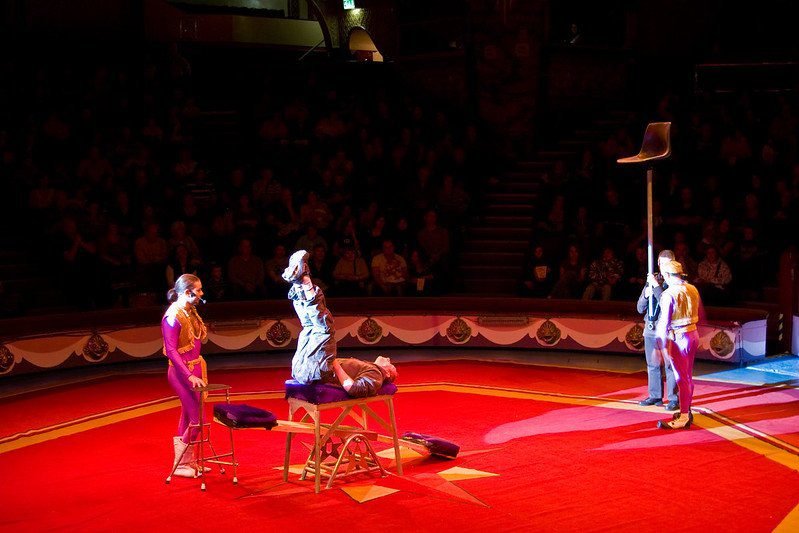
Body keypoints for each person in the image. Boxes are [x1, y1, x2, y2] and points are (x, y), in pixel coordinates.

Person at [162, 274, 208, 478]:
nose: (201, 294)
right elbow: (171, 350)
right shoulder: (172, 316)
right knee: (198, 420)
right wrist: (189, 376)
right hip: (182, 373)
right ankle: (180, 464)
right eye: (198, 290)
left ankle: (189, 461)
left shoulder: (190, 311)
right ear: (187, 292)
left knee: (188, 415)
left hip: (195, 369)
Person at [655, 260, 704, 430]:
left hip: (679, 338)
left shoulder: (669, 294)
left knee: (681, 379)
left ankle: (683, 416)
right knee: (688, 376)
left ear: (667, 275)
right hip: (693, 334)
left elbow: (664, 323)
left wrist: (659, 345)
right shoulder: (692, 289)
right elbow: (701, 312)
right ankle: (686, 409)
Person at [283, 250, 337, 384]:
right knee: (320, 328)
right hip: (318, 370)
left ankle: (303, 286)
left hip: (315, 373)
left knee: (317, 327)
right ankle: (303, 286)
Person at [636, 250, 679, 411]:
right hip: (650, 328)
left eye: (667, 263)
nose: (663, 267)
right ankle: (655, 395)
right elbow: (640, 308)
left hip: (667, 330)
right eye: (661, 263)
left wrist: (655, 287)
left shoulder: (675, 282)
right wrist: (647, 294)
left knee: (670, 364)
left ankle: (674, 398)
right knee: (652, 364)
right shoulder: (653, 280)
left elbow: (667, 304)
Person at [325, 356, 398, 398]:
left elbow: (355, 389)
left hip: (321, 371)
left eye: (391, 364)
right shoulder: (371, 368)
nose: (388, 358)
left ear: (387, 373)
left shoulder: (376, 374)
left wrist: (335, 365)